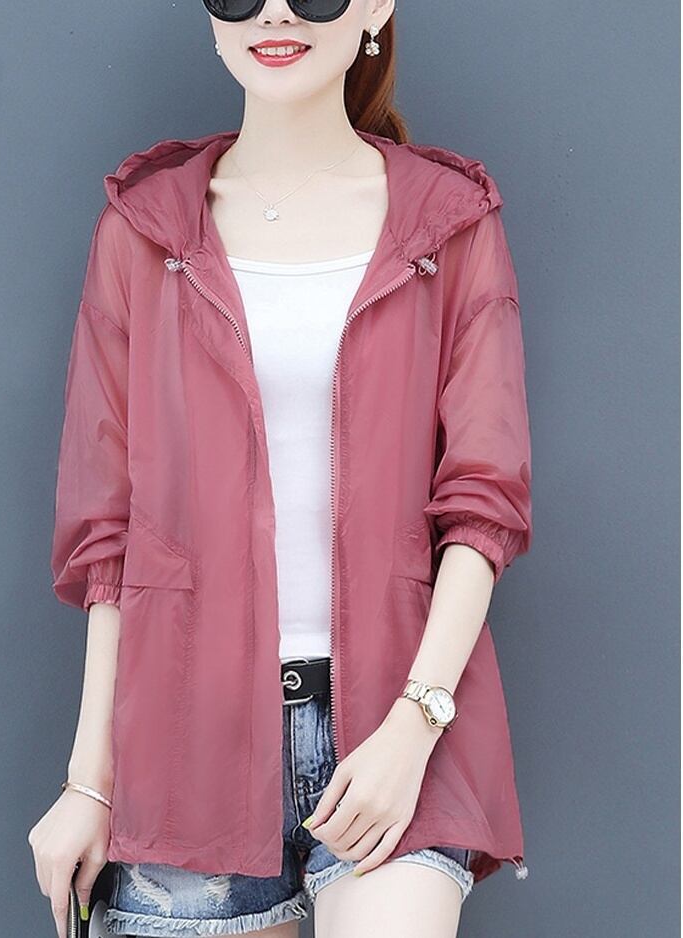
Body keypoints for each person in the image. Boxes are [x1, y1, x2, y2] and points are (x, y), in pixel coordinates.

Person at [28, 1, 534, 936]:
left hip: (392, 722)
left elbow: (483, 502)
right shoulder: (145, 230)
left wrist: (414, 726)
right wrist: (89, 783)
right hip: (185, 745)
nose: (274, 12)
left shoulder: (447, 222)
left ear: (374, 7)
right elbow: (112, 538)